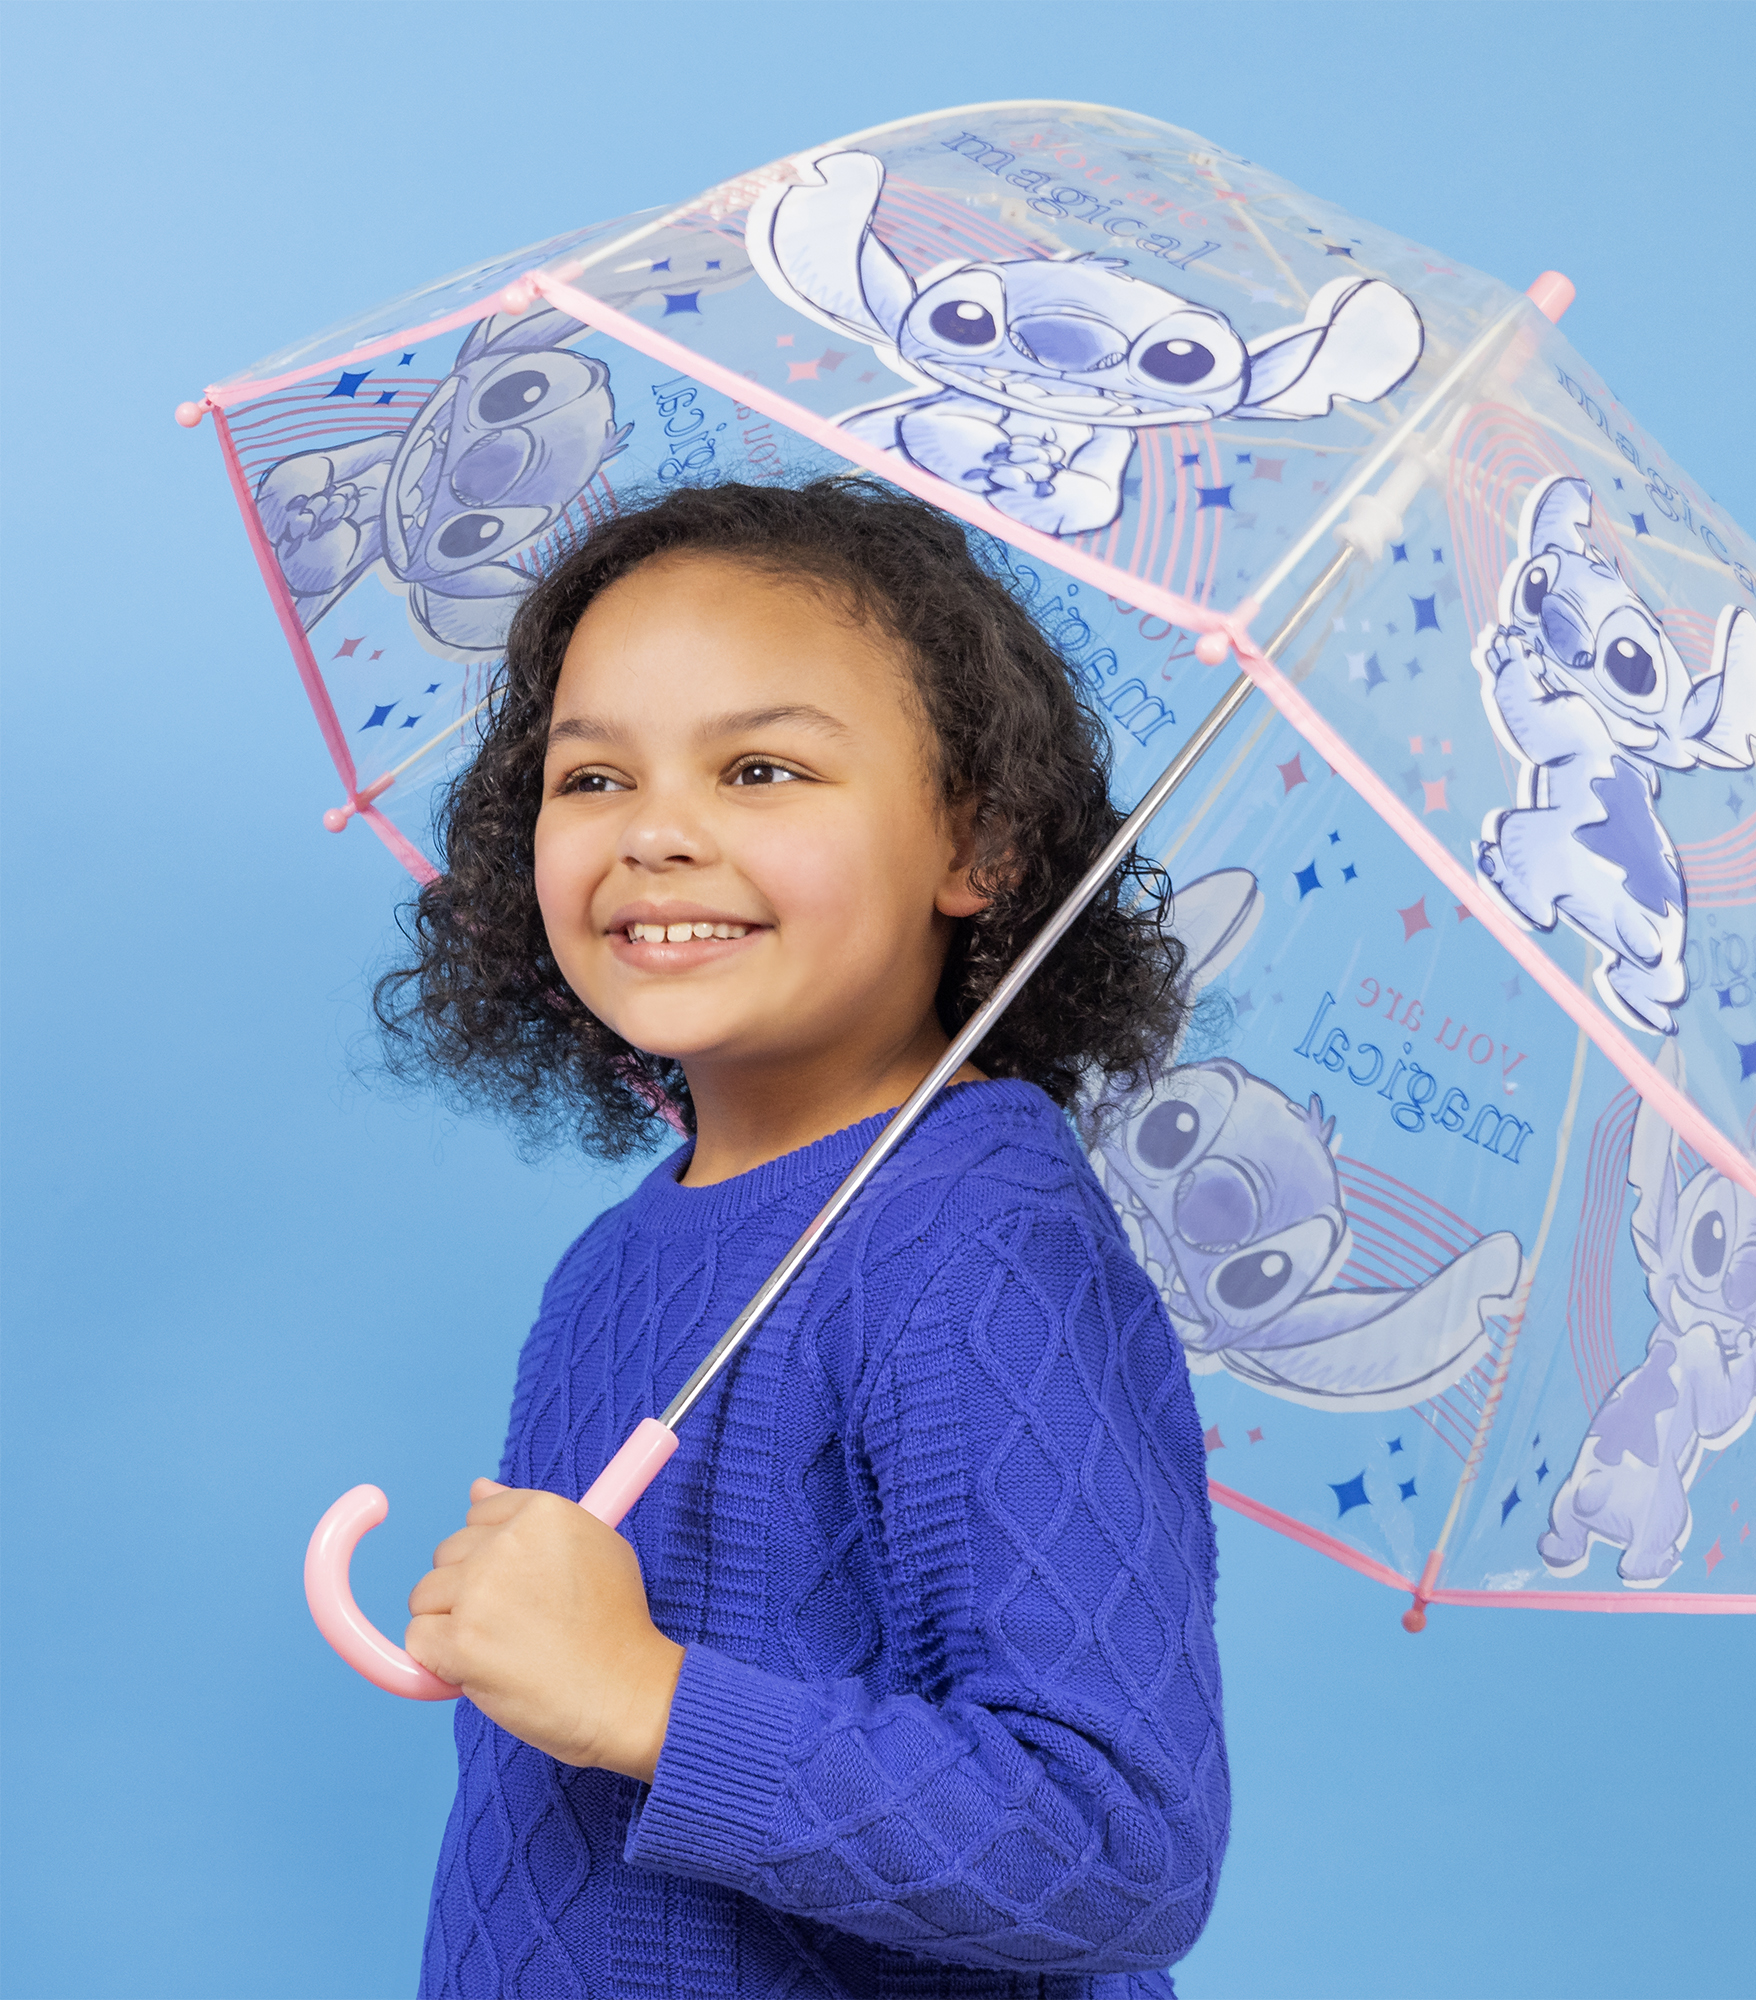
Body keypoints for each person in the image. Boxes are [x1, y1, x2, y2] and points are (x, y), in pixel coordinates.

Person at [377, 478, 1229, 1999]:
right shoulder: (612, 1261)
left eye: (761, 768)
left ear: (981, 847)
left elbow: (1119, 1844)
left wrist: (645, 1697)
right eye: (591, 777)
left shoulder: (987, 1250)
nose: (656, 834)